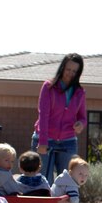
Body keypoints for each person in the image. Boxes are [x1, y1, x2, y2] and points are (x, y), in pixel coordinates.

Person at [31, 53, 87, 186]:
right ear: (62, 68)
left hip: (68, 141)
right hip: (45, 139)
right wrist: (43, 142)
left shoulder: (79, 92)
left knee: (68, 182)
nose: (70, 73)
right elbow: (43, 115)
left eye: (74, 71)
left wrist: (80, 124)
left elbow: (83, 117)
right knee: (43, 181)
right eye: (68, 69)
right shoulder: (49, 87)